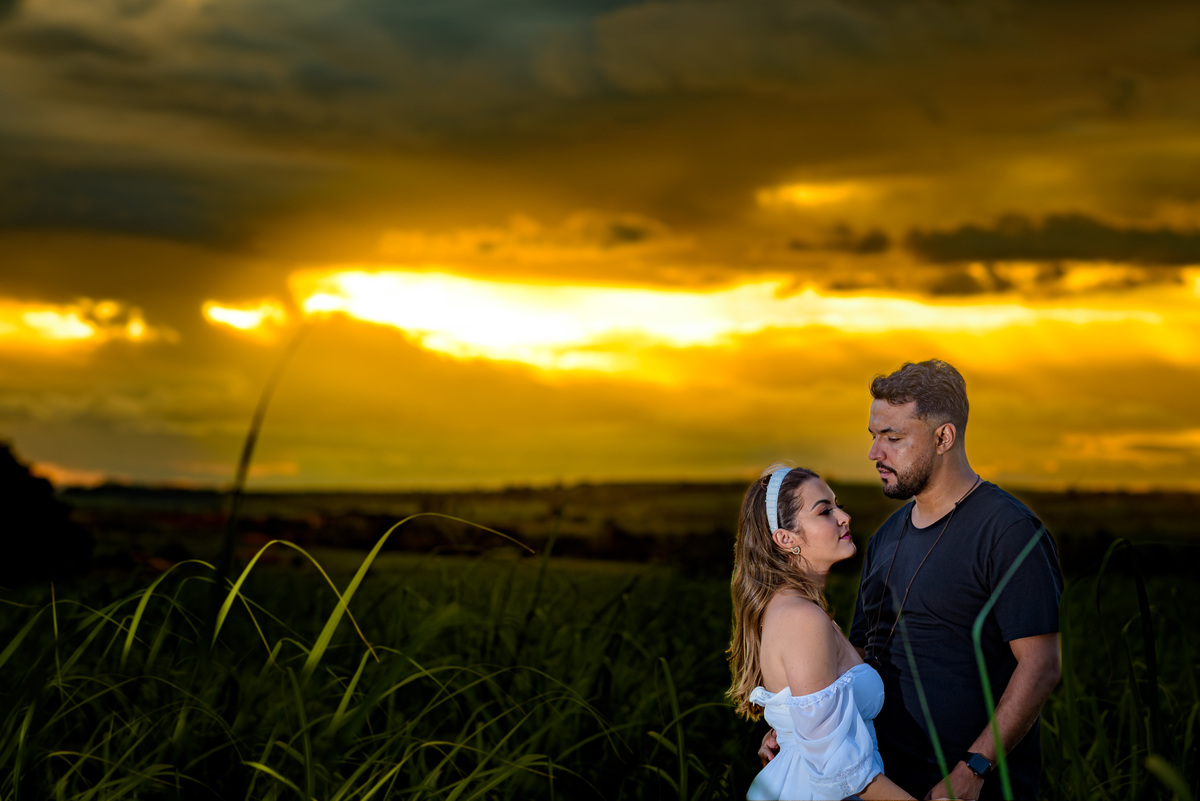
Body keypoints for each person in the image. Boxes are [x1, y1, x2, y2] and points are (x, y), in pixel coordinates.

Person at [758, 360, 1063, 800]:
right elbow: (860, 654)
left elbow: (1041, 666)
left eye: (893, 438)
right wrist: (801, 729)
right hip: (883, 780)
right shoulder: (884, 538)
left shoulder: (1009, 532)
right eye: (873, 436)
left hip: (974, 788)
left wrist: (973, 769)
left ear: (944, 438)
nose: (874, 453)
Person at [729, 463, 917, 800]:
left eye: (837, 505)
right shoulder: (802, 619)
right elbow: (837, 767)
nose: (843, 517)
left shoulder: (789, 609)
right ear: (786, 539)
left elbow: (812, 721)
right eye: (825, 511)